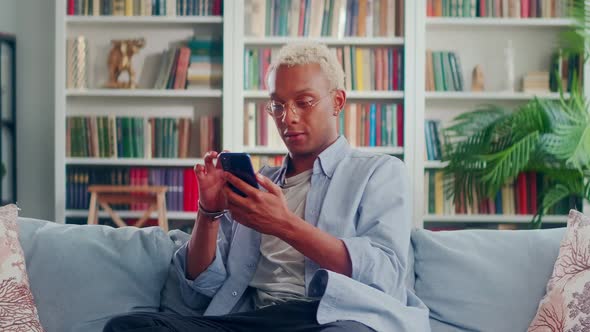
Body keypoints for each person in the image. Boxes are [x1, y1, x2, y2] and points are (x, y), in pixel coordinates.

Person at [104, 42, 430, 332]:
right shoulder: (259, 185)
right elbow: (203, 285)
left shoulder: (379, 173)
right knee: (128, 325)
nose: (287, 117)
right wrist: (209, 212)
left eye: (304, 102)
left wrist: (284, 224)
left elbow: (386, 275)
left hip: (329, 318)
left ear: (337, 102)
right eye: (277, 105)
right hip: (253, 318)